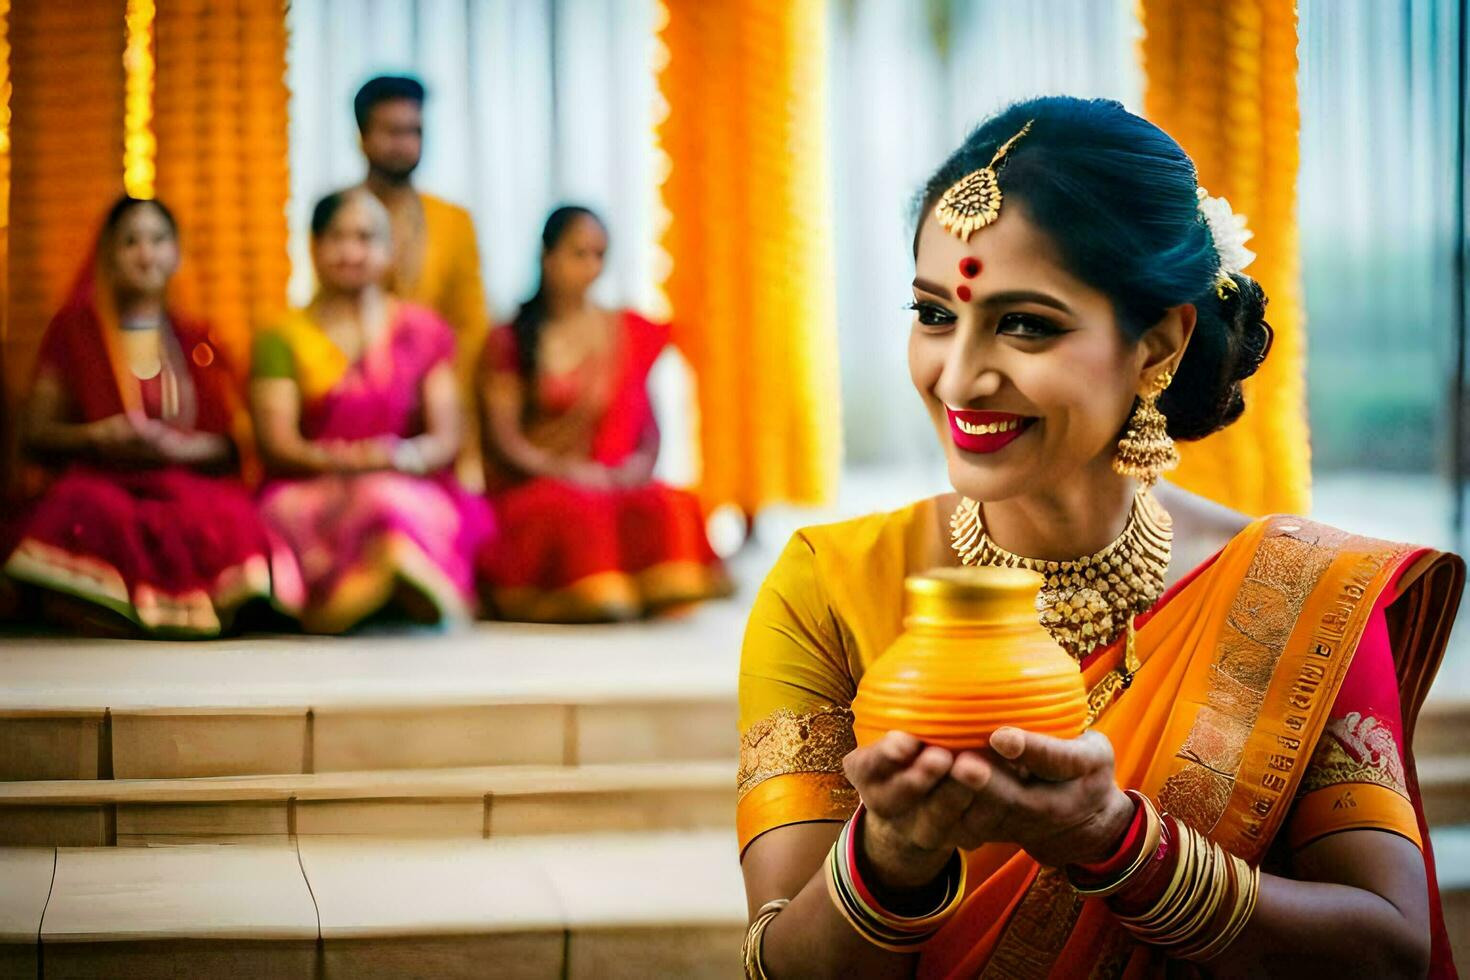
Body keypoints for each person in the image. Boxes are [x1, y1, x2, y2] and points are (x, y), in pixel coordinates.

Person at [736, 97, 1462, 978]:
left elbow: (1388, 951)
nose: (959, 376)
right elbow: (780, 965)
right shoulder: (828, 589)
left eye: (1026, 323)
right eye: (934, 315)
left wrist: (1114, 843)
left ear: (1157, 345)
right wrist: (887, 856)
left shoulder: (1303, 593)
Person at [4, 196, 288, 637]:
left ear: (176, 253)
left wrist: (179, 447)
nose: (145, 253)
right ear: (109, 256)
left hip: (182, 480)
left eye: (158, 240)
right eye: (130, 241)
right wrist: (99, 437)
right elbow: (37, 434)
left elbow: (234, 443)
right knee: (86, 508)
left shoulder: (197, 338)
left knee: (225, 515)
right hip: (102, 478)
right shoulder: (73, 333)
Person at [251, 188, 493, 634]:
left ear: (388, 250)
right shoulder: (282, 337)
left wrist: (399, 458)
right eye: (338, 238)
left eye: (366, 238)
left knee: (387, 499)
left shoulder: (422, 331)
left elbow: (444, 436)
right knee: (303, 509)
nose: (351, 252)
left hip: (401, 474)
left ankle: (391, 585)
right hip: (312, 481)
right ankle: (358, 596)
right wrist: (342, 461)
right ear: (314, 246)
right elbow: (277, 442)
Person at [477, 206, 729, 622]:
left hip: (607, 477)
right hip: (538, 482)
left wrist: (633, 469)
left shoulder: (621, 331)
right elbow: (504, 440)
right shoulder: (510, 337)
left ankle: (649, 585)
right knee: (577, 509)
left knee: (669, 502)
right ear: (547, 257)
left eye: (599, 255)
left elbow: (648, 429)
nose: (591, 267)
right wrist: (562, 469)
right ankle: (581, 589)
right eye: (579, 254)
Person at [355, 74, 490, 489]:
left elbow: (471, 325)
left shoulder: (453, 222)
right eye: (391, 131)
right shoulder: (343, 217)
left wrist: (437, 391)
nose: (404, 143)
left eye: (414, 131)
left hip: (441, 405)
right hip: (359, 402)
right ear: (362, 137)